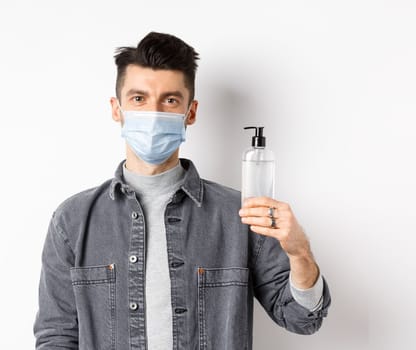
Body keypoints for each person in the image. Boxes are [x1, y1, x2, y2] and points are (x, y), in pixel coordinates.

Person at [33, 32, 331, 350]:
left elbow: (303, 319)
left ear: (190, 112)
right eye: (139, 98)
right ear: (116, 109)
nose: (153, 112)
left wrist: (300, 253)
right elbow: (56, 336)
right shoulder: (73, 220)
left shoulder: (240, 215)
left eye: (170, 100)